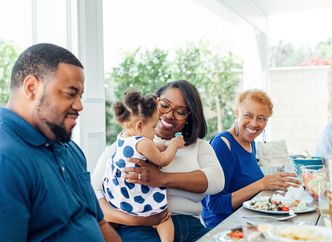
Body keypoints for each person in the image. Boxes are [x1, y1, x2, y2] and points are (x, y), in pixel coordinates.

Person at [0, 43, 121, 241]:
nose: (79, 105)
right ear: (31, 87)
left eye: (80, 95)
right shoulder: (6, 160)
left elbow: (99, 222)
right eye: (70, 93)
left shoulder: (68, 147)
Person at [92, 80, 225, 242]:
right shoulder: (130, 143)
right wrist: (136, 220)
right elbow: (95, 194)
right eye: (164, 105)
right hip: (140, 227)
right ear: (153, 103)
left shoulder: (199, 146)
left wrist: (162, 179)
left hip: (190, 225)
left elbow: (217, 181)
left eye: (181, 111)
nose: (169, 114)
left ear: (189, 116)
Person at [201, 89, 300, 228]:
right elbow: (215, 205)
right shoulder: (223, 144)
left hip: (249, 221)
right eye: (248, 115)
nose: (254, 124)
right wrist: (262, 184)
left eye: (261, 118)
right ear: (237, 114)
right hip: (226, 228)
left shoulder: (250, 143)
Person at [103, 89, 185, 242]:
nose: (155, 132)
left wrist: (162, 145)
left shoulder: (123, 137)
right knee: (164, 219)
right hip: (138, 196)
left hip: (121, 196)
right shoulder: (144, 143)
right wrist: (173, 145)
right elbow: (162, 160)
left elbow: (150, 148)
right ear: (140, 126)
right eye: (154, 126)